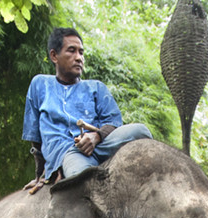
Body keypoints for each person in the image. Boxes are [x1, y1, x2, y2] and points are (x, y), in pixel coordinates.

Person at [22, 27, 152, 194]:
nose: (79, 58)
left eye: (81, 52)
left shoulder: (96, 87)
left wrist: (96, 136)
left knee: (141, 131)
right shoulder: (39, 85)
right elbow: (36, 139)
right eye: (72, 51)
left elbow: (114, 123)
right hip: (69, 153)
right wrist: (41, 174)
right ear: (54, 55)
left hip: (102, 145)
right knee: (84, 179)